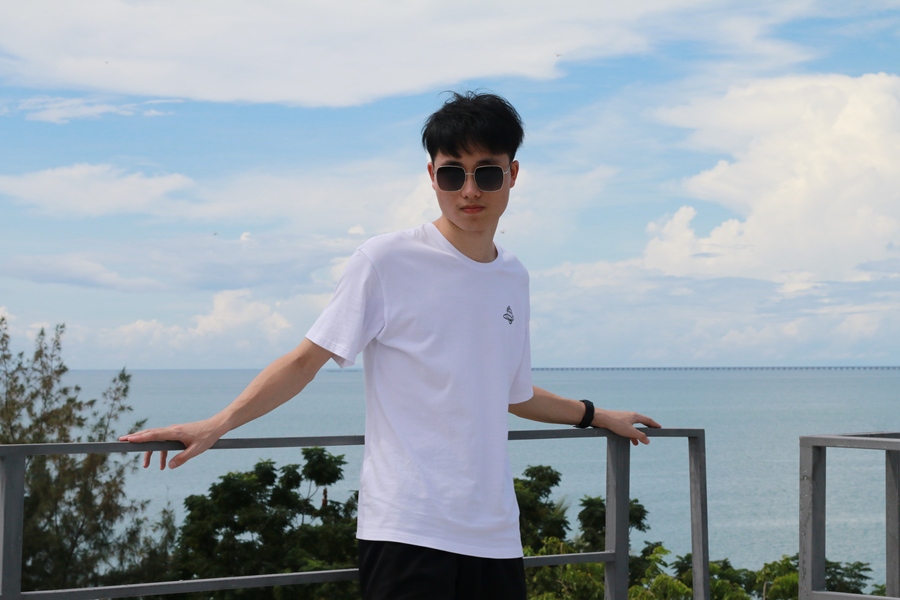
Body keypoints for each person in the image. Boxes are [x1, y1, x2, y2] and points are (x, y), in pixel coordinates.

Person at [120, 91, 660, 600]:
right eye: (453, 173)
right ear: (432, 176)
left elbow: (512, 394)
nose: (469, 190)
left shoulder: (513, 276)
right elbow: (306, 359)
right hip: (407, 528)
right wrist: (217, 423)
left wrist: (597, 415)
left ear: (512, 175)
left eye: (487, 173)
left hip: (495, 534)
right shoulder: (385, 260)